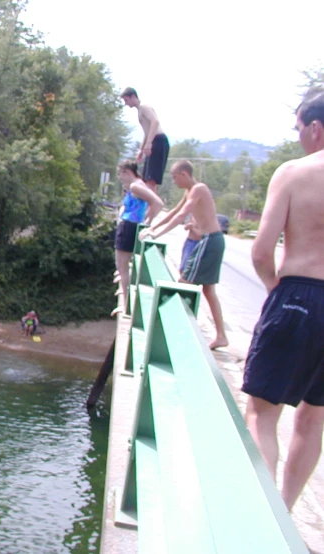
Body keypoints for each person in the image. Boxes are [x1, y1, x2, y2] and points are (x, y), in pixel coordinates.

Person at [242, 87, 324, 510]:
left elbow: (260, 251)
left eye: (298, 128)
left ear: (315, 127)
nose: (296, 137)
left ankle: (263, 521)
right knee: (313, 419)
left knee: (262, 413)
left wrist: (277, 287)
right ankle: (286, 514)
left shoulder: (294, 172)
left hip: (298, 295)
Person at [140, 160, 228, 350]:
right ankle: (221, 335)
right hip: (211, 240)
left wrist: (156, 234)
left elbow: (182, 216)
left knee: (184, 283)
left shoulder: (198, 189)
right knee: (207, 290)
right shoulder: (189, 192)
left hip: (209, 240)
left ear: (184, 174)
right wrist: (152, 227)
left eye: (174, 177)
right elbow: (174, 212)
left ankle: (178, 331)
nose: (174, 181)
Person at [113, 160, 164, 314]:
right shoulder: (139, 184)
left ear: (127, 172)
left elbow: (157, 203)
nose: (121, 179)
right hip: (130, 226)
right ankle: (125, 298)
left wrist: (148, 222)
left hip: (129, 226)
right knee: (123, 267)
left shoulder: (136, 186)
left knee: (121, 266)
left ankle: (125, 305)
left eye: (121, 176)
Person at [121, 87, 170, 193]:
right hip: (152, 140)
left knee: (151, 180)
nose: (126, 103)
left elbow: (155, 122)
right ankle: (148, 205)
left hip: (158, 141)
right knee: (146, 179)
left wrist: (149, 144)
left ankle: (151, 206)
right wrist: (141, 149)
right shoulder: (139, 111)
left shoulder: (144, 106)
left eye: (126, 100)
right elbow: (147, 132)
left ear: (133, 96)